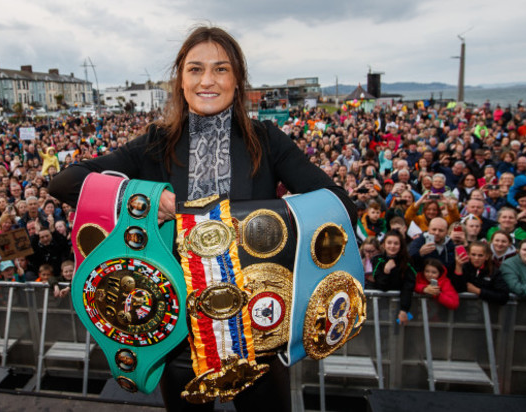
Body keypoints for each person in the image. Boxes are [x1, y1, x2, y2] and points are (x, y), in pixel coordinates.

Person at [49, 25, 355, 412]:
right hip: (177, 336)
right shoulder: (156, 142)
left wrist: (270, 222)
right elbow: (64, 183)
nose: (207, 80)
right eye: (195, 69)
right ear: (180, 80)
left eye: (220, 69)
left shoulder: (267, 140)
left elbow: (340, 203)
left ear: (237, 80)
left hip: (259, 330)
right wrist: (143, 196)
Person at [372, 231, 416, 325]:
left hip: (402, 304)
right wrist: (386, 271)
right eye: (389, 243)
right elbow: (380, 285)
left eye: (396, 243)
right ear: (384, 244)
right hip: (383, 305)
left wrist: (404, 309)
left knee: (400, 330)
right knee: (384, 329)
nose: (392, 246)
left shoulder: (407, 261)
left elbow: (408, 285)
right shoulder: (378, 260)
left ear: (401, 245)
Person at [453, 241, 509, 305]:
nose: (476, 258)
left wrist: (478, 291)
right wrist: (458, 267)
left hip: (486, 310)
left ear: (487, 256)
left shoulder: (493, 272)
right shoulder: (463, 267)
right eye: (473, 255)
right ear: (468, 254)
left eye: (480, 255)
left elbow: (503, 296)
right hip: (462, 308)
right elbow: (456, 288)